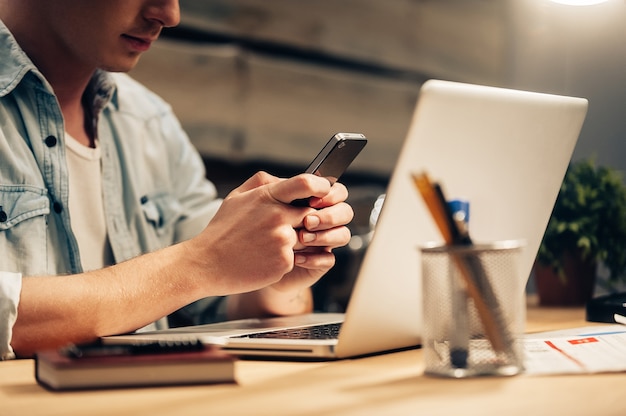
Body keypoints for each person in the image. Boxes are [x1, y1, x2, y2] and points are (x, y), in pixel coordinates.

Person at [0, 0, 354, 359]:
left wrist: (275, 280)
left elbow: (217, 299)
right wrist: (198, 265)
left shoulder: (149, 121)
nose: (169, 15)